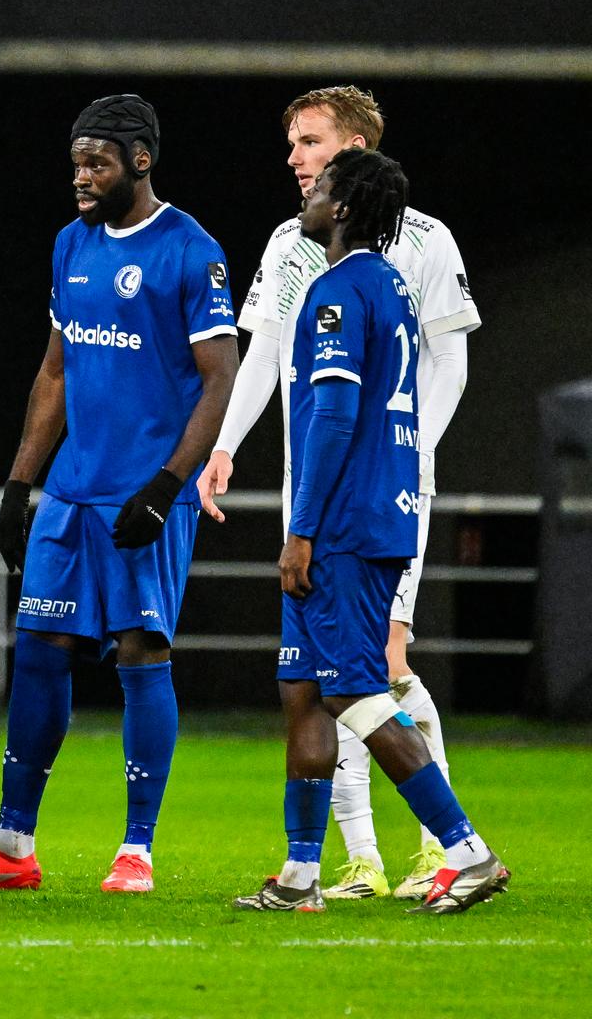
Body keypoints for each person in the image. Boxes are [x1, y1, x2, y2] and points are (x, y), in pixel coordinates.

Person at [199, 86, 480, 903]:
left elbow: (443, 366)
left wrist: (401, 459)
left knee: (375, 668)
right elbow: (264, 355)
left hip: (362, 498)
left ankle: (447, 846)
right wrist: (225, 445)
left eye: (311, 144)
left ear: (352, 155)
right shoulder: (296, 248)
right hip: (318, 495)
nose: (295, 161)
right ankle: (332, 864)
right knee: (307, 682)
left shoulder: (416, 248)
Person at [0, 95, 239, 895]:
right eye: (77, 163)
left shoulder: (191, 252)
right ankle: (14, 844)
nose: (82, 178)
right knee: (38, 653)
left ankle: (136, 850)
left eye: (98, 164)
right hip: (72, 493)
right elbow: (56, 369)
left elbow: (220, 377)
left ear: (141, 162)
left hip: (143, 495)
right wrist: (22, 481)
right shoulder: (70, 244)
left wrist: (167, 484)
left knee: (140, 655)